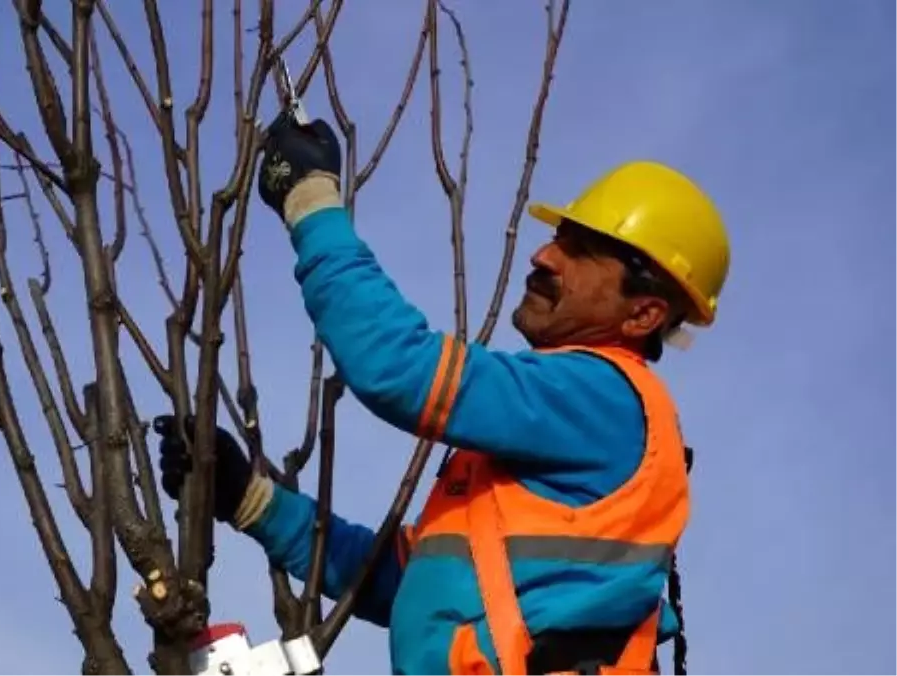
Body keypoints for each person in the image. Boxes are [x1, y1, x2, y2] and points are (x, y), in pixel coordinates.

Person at [153, 112, 730, 676]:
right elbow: (398, 583)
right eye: (557, 237)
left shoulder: (601, 396)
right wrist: (249, 499)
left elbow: (398, 367)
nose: (543, 255)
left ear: (645, 313)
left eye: (579, 248)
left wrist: (311, 199)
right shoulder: (535, 450)